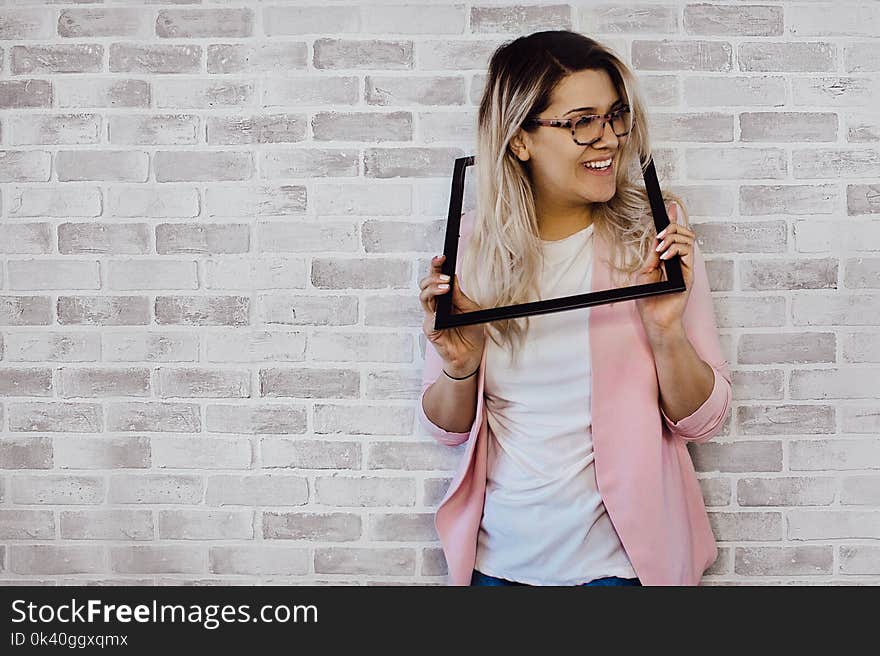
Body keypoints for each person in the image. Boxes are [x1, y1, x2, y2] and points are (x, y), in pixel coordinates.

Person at [417, 31, 732, 586]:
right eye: (581, 121)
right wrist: (459, 367)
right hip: (497, 567)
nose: (607, 139)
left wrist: (665, 332)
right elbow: (448, 428)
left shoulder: (654, 237)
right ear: (520, 140)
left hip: (624, 569)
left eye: (615, 117)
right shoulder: (472, 250)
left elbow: (703, 420)